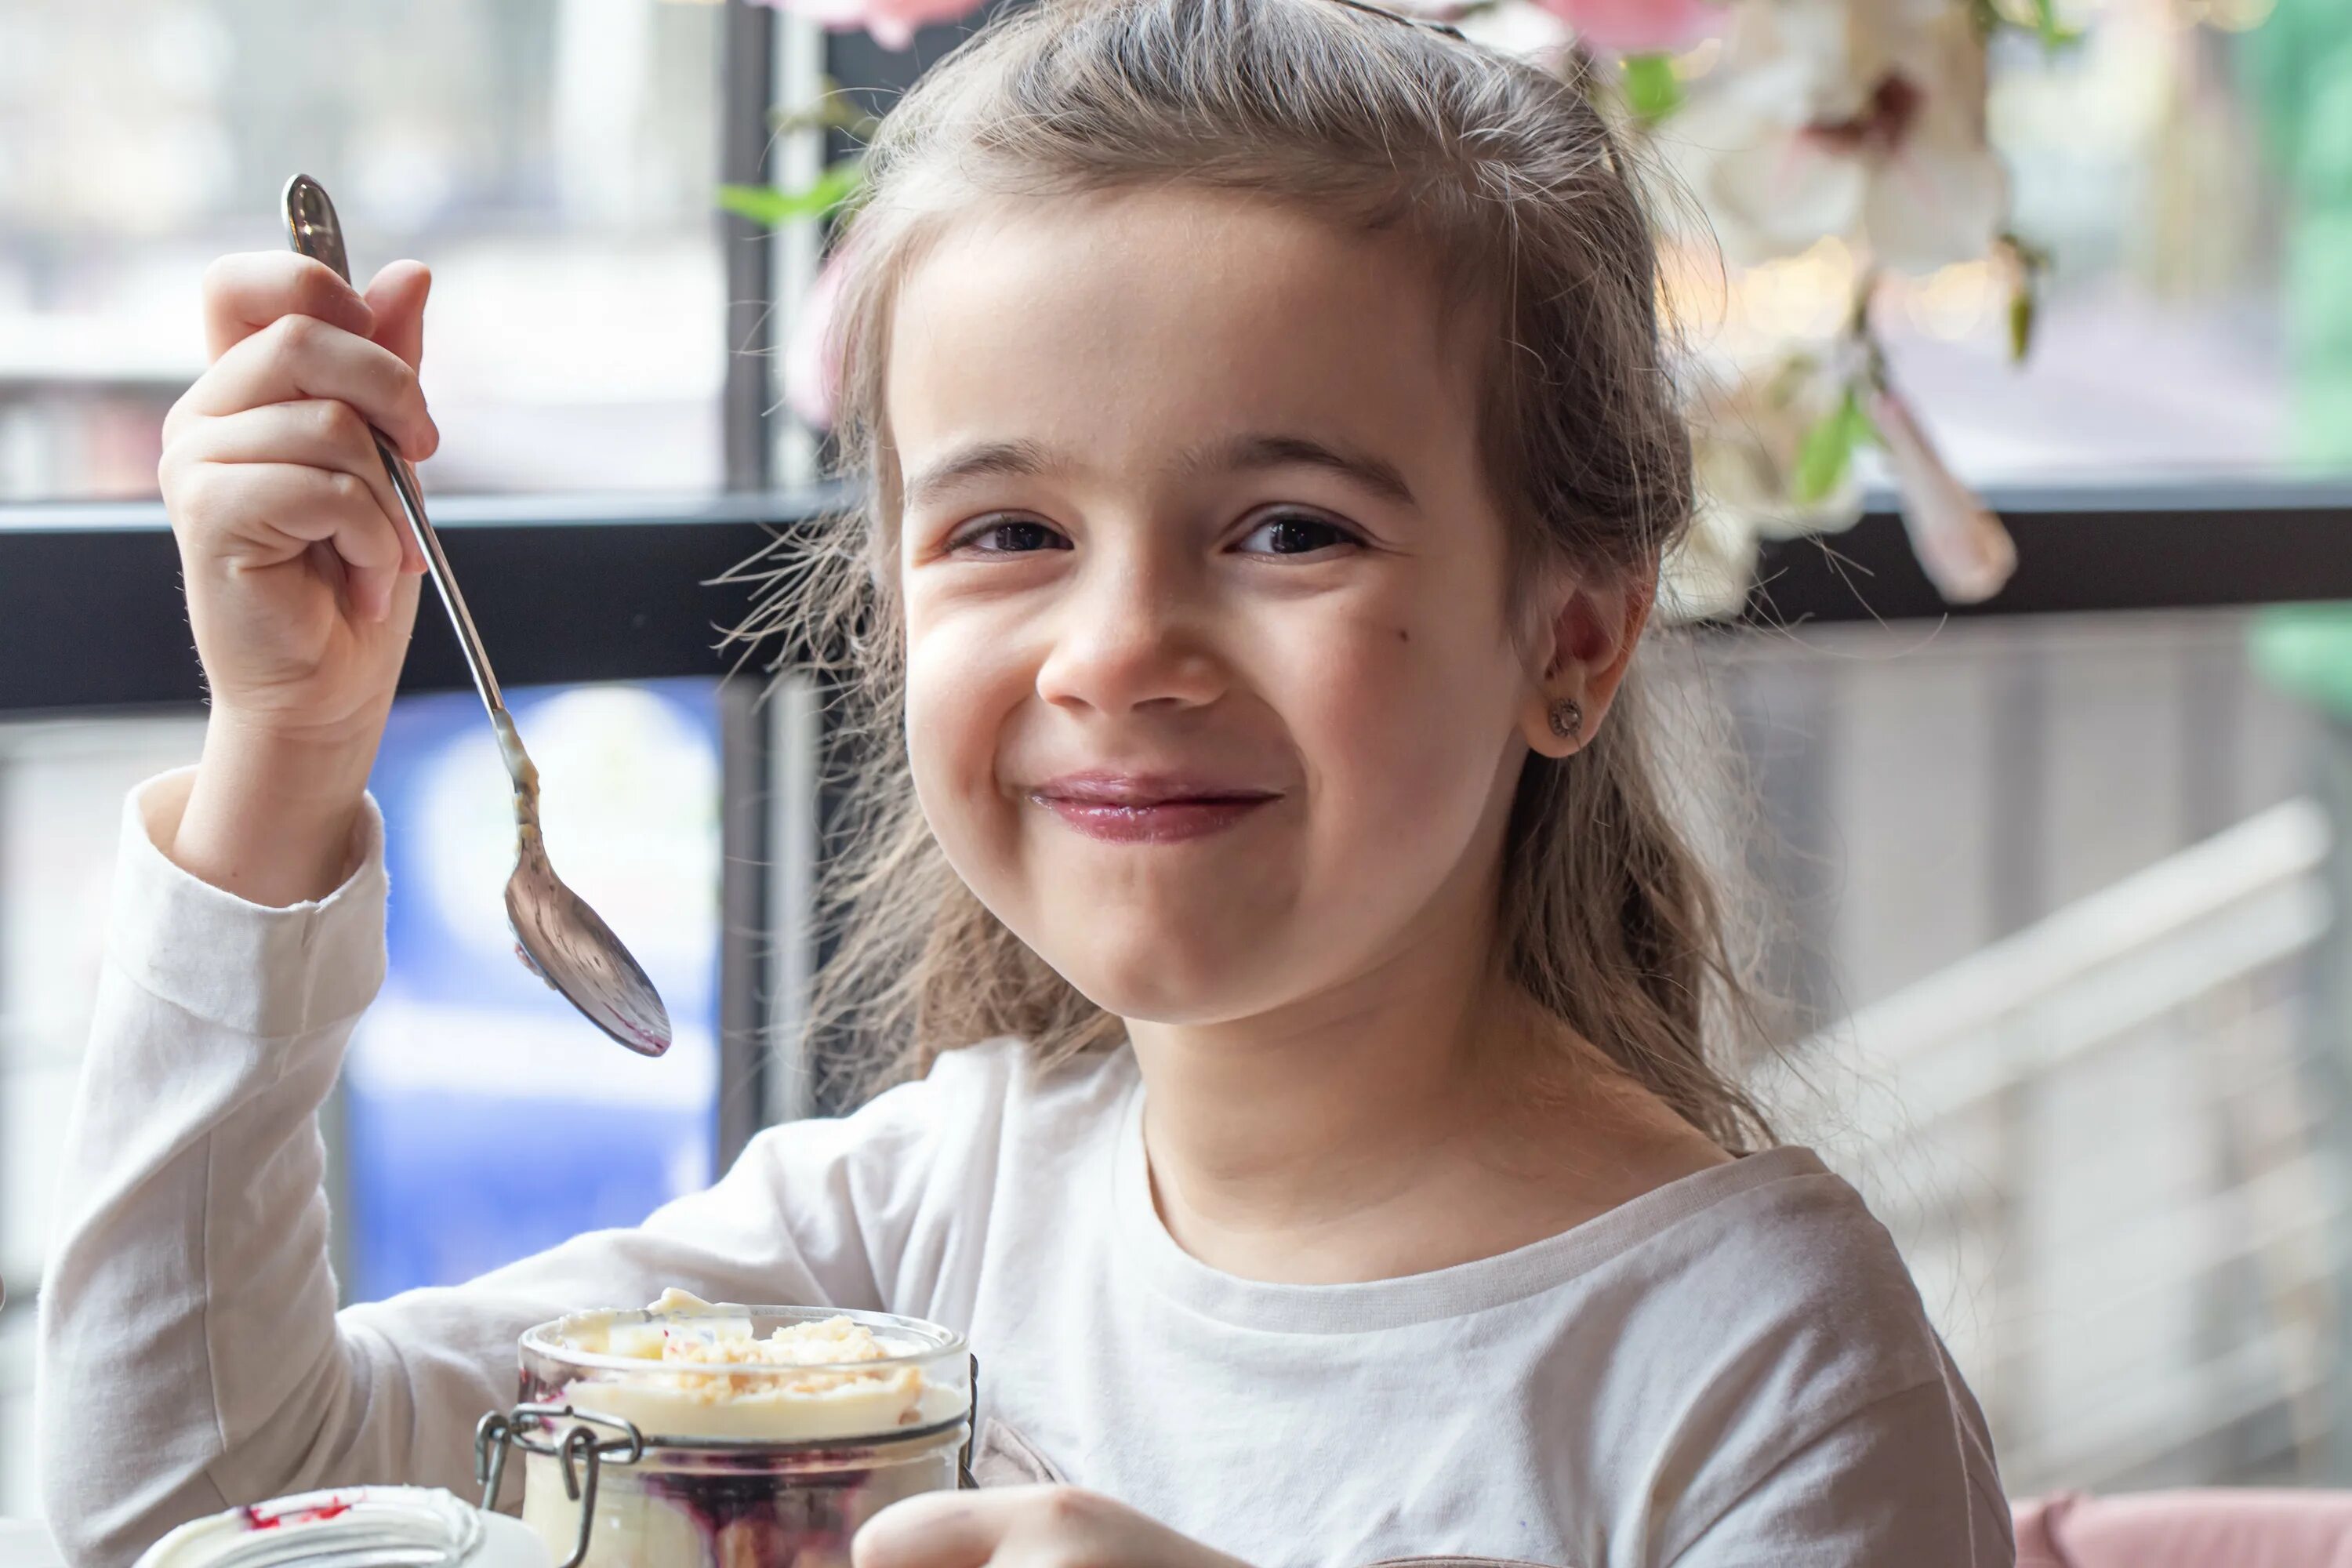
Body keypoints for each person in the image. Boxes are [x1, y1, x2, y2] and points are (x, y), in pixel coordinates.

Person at [35, 0, 2011, 1563]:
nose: (1114, 649)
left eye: (1292, 530)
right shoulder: (917, 1228)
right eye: (1006, 535)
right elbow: (199, 1500)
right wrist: (287, 758)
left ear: (1573, 638)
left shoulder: (1762, 1361)